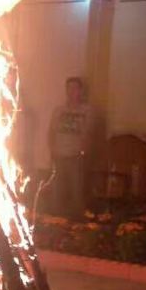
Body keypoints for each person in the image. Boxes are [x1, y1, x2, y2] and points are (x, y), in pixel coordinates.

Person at [48, 77, 94, 218]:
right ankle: (56, 220)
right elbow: (51, 131)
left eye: (74, 88)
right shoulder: (58, 110)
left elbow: (89, 132)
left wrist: (83, 152)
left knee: (77, 189)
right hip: (59, 156)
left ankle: (77, 221)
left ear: (80, 91)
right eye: (68, 88)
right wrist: (52, 150)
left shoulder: (87, 111)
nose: (71, 91)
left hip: (75, 156)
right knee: (57, 189)